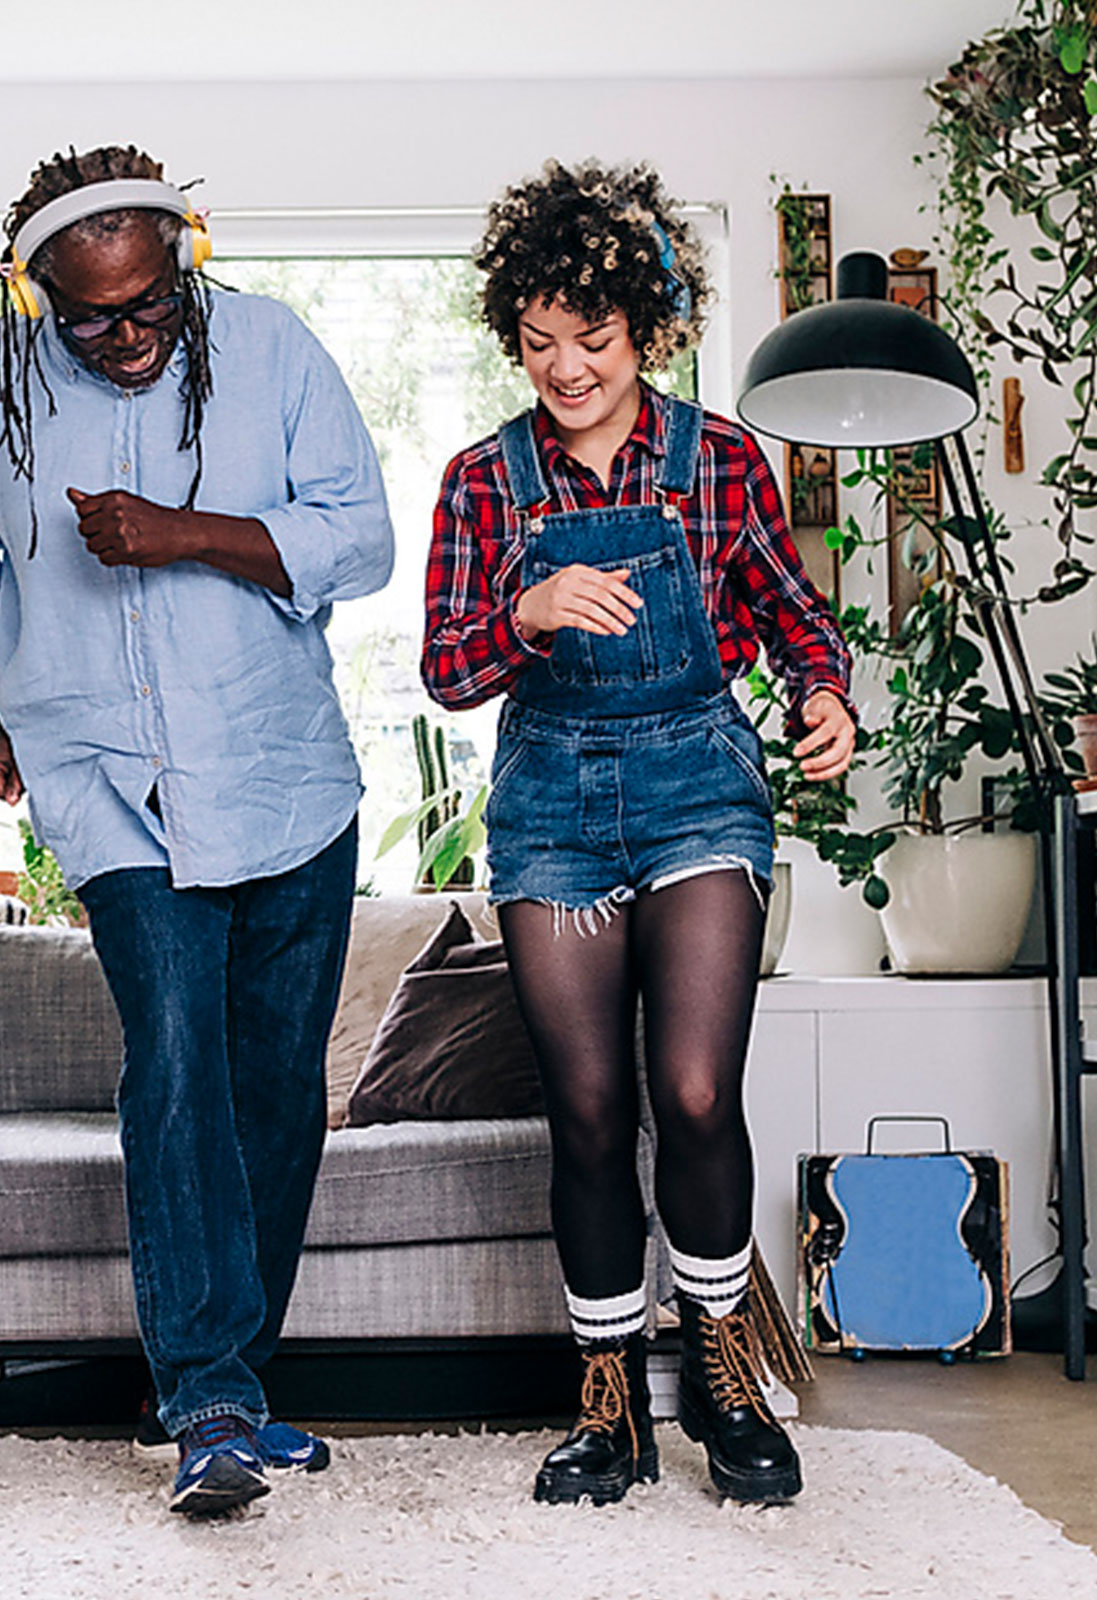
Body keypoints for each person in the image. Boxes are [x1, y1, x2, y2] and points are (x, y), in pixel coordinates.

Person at [0, 146, 392, 1517]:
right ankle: (214, 1403)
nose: (124, 337)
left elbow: (358, 540)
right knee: (173, 1060)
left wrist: (183, 533)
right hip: (103, 772)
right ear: (37, 293)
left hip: (282, 771)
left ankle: (234, 1386)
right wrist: (2, 718)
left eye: (147, 306)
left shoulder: (274, 347)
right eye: (89, 316)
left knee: (273, 1089)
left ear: (182, 261)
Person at [421, 160, 857, 1509]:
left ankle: (723, 1370)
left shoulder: (720, 458)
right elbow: (445, 669)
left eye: (592, 341)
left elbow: (794, 614)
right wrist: (529, 614)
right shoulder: (482, 480)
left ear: (647, 326)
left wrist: (825, 693)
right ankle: (607, 1405)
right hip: (551, 799)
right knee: (592, 1111)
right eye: (539, 343)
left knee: (691, 1093)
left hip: (697, 783)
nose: (565, 368)